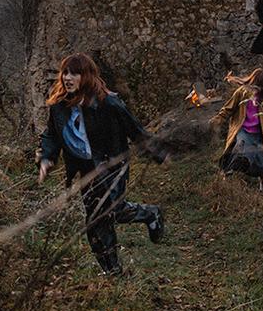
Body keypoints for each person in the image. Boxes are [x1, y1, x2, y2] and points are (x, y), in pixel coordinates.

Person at [37, 53, 167, 275]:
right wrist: (47, 157)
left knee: (102, 214)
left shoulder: (108, 103)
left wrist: (159, 154)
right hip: (85, 169)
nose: (67, 78)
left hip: (111, 165)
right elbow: (51, 134)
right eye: (65, 73)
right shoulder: (59, 106)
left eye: (74, 73)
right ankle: (117, 263)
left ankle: (115, 266)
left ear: (86, 76)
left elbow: (135, 130)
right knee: (101, 216)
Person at [210, 69, 263, 190]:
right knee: (242, 148)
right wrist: (217, 120)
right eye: (255, 86)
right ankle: (229, 170)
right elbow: (228, 108)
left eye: (260, 87)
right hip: (243, 130)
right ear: (251, 81)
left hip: (262, 134)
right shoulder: (242, 92)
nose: (256, 90)